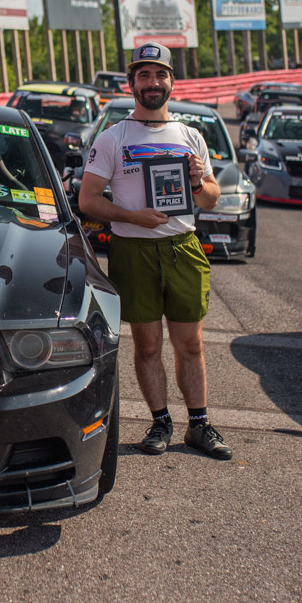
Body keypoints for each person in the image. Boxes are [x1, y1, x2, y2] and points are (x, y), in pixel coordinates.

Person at [78, 42, 232, 460]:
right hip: (135, 249)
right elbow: (87, 200)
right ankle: (160, 421)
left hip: (183, 248)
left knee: (192, 345)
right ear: (132, 84)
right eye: (144, 75)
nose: (153, 82)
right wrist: (131, 216)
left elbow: (212, 200)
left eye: (160, 74)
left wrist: (199, 183)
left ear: (171, 82)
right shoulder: (114, 137)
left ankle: (198, 424)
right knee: (146, 346)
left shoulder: (191, 136)